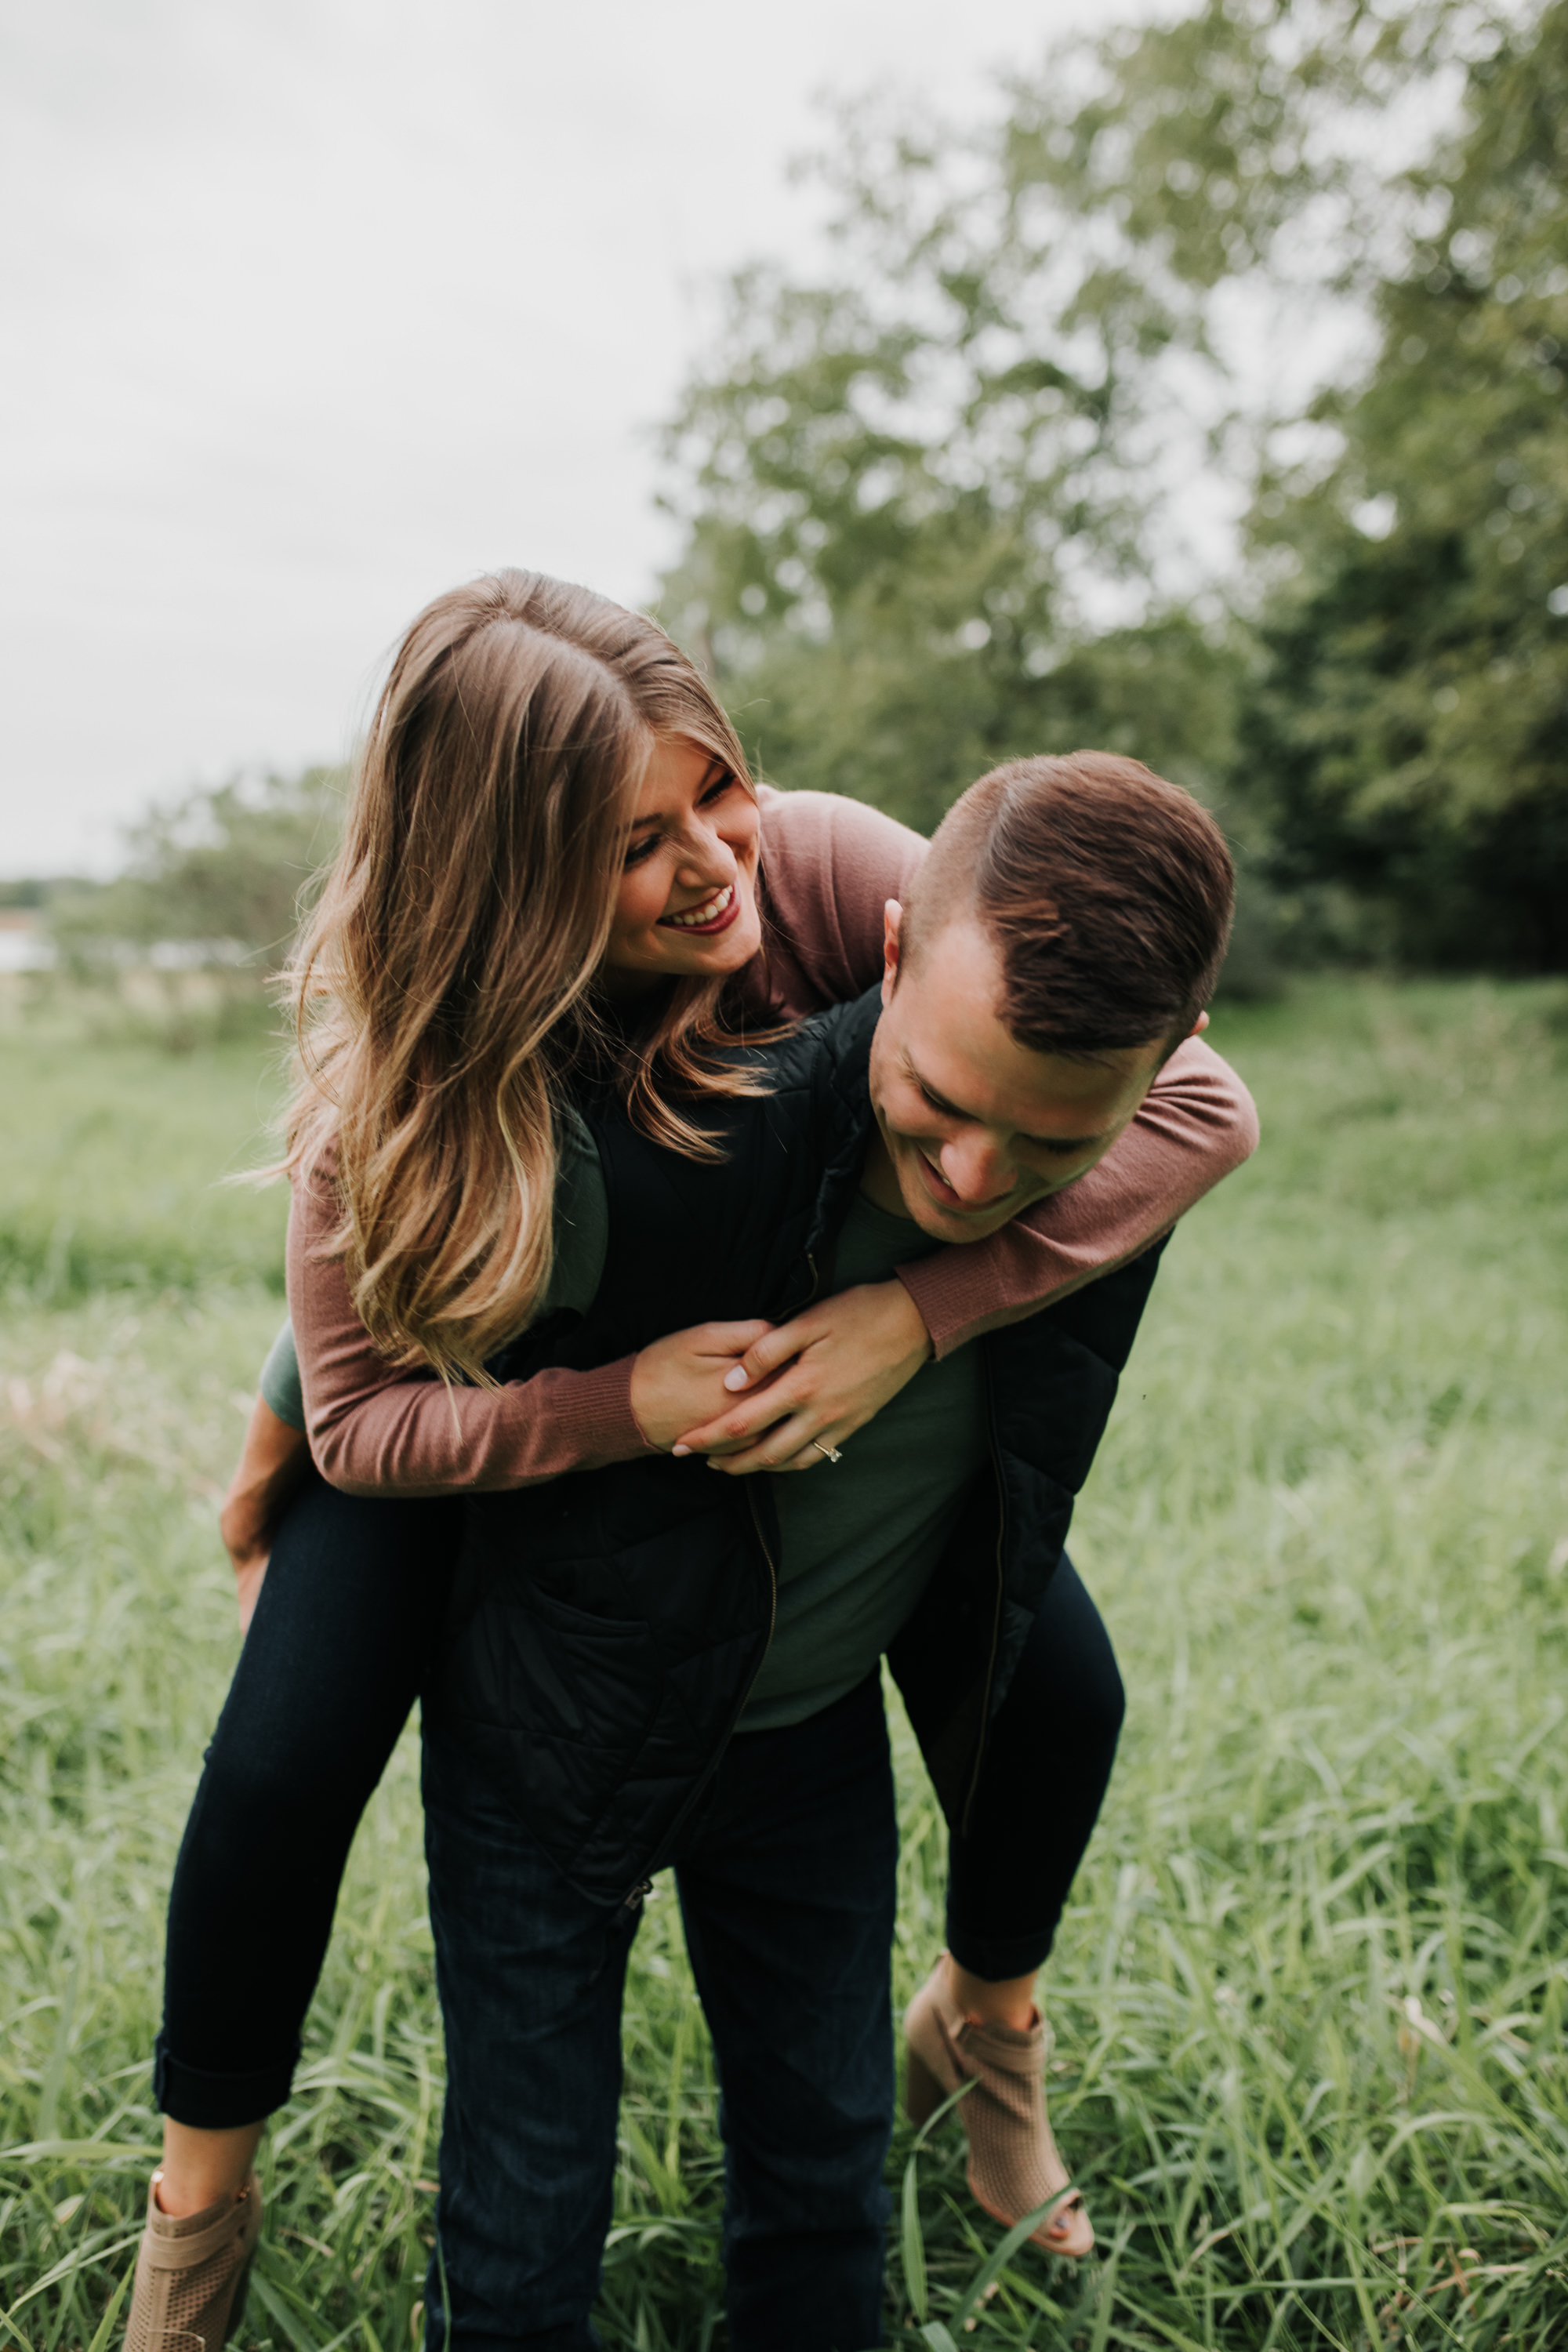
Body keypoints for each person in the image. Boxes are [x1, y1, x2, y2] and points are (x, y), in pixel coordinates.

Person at [121, 570, 1253, 2352]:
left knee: (1060, 1690)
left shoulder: (810, 871)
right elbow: (358, 1381)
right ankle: (194, 2209)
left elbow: (1188, 1095)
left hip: (723, 1455)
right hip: (473, 1397)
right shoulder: (406, 1069)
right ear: (505, 882)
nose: (719, 858)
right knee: (281, 1759)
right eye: (640, 840)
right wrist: (408, 1428)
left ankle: (987, 2030)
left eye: (714, 783)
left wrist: (920, 1314)